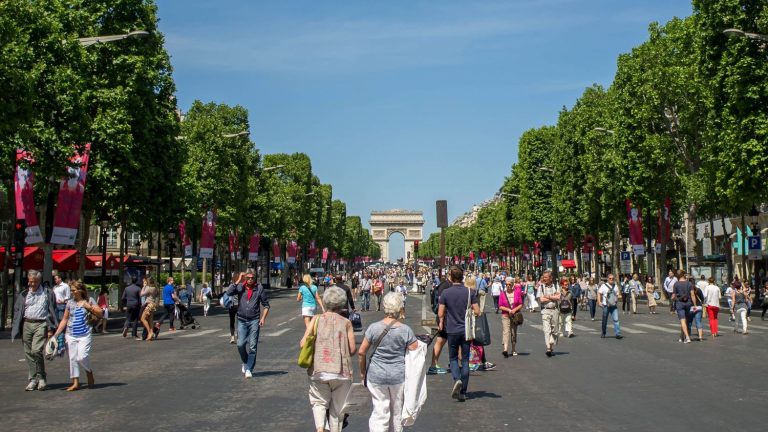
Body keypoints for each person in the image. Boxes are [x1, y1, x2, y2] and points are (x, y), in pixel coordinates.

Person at [359, 292, 419, 429]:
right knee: (397, 411)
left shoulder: (373, 327)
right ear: (399, 308)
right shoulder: (406, 330)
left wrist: (362, 373)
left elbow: (362, 351)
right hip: (398, 375)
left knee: (379, 410)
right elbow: (415, 349)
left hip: (376, 375)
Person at [302, 287, 356, 432]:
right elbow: (352, 350)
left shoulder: (316, 319)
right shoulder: (346, 323)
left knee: (319, 402)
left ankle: (320, 428)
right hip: (341, 372)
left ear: (325, 302)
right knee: (338, 409)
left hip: (318, 370)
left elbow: (303, 343)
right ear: (342, 304)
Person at [437, 266, 480, 402]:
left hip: (452, 329)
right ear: (462, 277)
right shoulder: (470, 292)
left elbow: (440, 313)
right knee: (466, 359)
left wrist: (441, 322)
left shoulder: (446, 293)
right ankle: (463, 392)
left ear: (451, 276)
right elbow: (478, 311)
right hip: (466, 330)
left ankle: (457, 379)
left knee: (453, 358)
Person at [11, 270, 58, 391]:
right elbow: (17, 310)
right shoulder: (24, 294)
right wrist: (16, 326)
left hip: (41, 323)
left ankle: (41, 377)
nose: (31, 284)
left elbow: (52, 311)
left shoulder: (48, 293)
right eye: (30, 281)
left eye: (34, 282)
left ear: (39, 281)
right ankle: (33, 379)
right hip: (27, 323)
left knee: (36, 350)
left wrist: (50, 328)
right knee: (28, 353)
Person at [52, 280, 101, 391]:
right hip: (71, 334)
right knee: (72, 358)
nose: (71, 292)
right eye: (71, 290)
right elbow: (65, 319)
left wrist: (89, 307)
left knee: (82, 356)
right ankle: (75, 382)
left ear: (80, 290)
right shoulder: (70, 303)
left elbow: (100, 314)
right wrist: (56, 334)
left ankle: (89, 372)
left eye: (73, 290)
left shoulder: (89, 300)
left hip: (85, 334)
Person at [226, 270, 270, 378]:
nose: (250, 280)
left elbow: (266, 305)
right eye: (248, 278)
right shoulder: (240, 287)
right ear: (245, 278)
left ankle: (249, 369)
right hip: (241, 319)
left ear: (255, 278)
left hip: (254, 320)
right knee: (240, 344)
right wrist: (237, 281)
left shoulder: (259, 288)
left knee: (252, 346)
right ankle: (245, 362)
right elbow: (228, 292)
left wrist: (263, 318)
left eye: (252, 278)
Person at [428, 273, 451, 375]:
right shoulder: (445, 285)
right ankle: (433, 365)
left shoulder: (447, 285)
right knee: (441, 340)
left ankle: (454, 362)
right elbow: (441, 302)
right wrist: (441, 319)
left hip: (446, 317)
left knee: (444, 340)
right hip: (444, 317)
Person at [536, 270, 561, 356]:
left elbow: (558, 297)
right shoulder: (541, 287)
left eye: (546, 277)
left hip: (555, 310)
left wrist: (548, 297)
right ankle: (548, 348)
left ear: (551, 278)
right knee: (547, 330)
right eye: (543, 277)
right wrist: (552, 297)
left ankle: (550, 345)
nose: (544, 279)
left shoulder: (556, 286)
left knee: (555, 330)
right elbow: (541, 299)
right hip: (545, 310)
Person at [497, 276, 523, 357]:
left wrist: (514, 310)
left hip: (514, 316)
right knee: (506, 331)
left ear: (512, 285)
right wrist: (508, 310)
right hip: (505, 315)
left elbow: (521, 304)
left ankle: (514, 348)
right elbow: (500, 306)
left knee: (513, 332)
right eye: (506, 284)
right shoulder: (502, 294)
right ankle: (505, 349)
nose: (508, 286)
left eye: (509, 284)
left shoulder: (517, 293)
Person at [598, 274, 623, 340]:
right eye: (610, 278)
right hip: (606, 305)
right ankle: (603, 332)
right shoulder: (603, 286)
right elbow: (599, 293)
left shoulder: (615, 286)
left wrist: (617, 298)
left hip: (614, 306)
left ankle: (618, 334)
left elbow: (618, 294)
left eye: (612, 278)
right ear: (608, 279)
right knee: (604, 320)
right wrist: (599, 302)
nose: (611, 279)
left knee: (616, 320)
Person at [672, 270, 694, 343]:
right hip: (688, 303)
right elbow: (692, 294)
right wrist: (695, 304)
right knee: (685, 321)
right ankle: (682, 336)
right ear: (683, 275)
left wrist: (673, 299)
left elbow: (673, 296)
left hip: (680, 303)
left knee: (682, 321)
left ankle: (687, 337)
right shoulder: (689, 283)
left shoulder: (676, 284)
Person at [52, 270, 70, 356]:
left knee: (61, 326)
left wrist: (62, 300)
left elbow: (68, 298)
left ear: (60, 278)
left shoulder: (65, 286)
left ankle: (61, 346)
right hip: (55, 306)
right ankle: (58, 344)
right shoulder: (55, 287)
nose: (55, 280)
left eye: (56, 278)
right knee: (57, 326)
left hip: (62, 306)